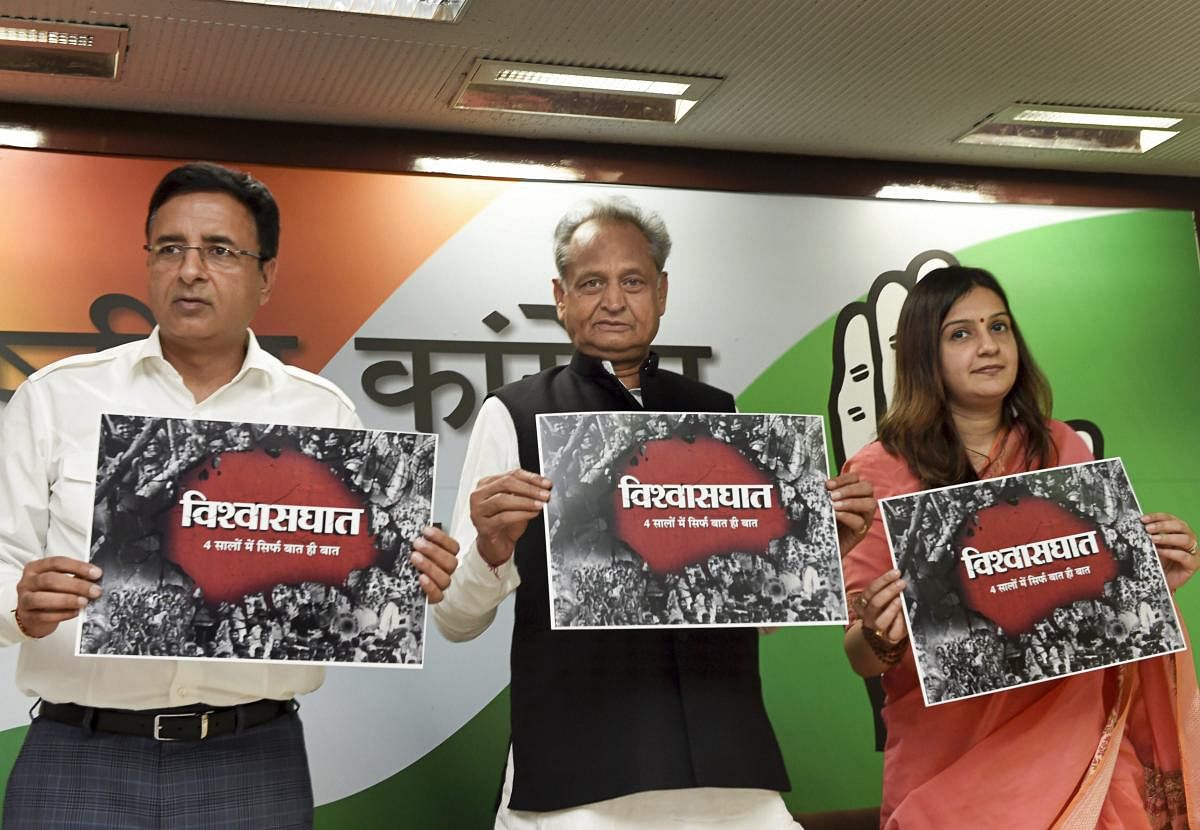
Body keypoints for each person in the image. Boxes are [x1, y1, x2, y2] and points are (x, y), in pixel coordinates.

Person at [0, 162, 460, 828]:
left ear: (266, 275)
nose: (190, 270)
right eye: (170, 249)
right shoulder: (57, 398)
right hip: (81, 753)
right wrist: (20, 605)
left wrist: (406, 574)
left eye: (219, 251)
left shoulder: (321, 415)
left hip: (251, 761)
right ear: (149, 263)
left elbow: (359, 588)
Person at [434, 196, 875, 828]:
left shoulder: (715, 414)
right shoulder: (518, 414)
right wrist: (491, 550)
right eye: (591, 282)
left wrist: (814, 549)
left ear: (662, 293)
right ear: (560, 297)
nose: (613, 300)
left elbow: (750, 616)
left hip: (726, 770)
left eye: (633, 281)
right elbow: (454, 618)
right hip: (576, 774)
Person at [841, 265, 1200, 828]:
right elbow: (860, 653)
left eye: (999, 327)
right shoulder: (879, 471)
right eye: (960, 333)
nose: (988, 346)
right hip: (951, 763)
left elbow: (1097, 609)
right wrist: (883, 635)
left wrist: (1150, 586)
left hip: (1077, 749)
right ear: (921, 353)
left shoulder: (1059, 447)